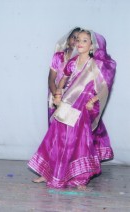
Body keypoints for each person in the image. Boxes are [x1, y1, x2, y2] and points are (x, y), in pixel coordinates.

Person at [28, 30, 116, 189]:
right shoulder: (73, 61)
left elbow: (104, 88)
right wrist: (57, 93)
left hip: (83, 106)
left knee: (79, 141)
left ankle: (80, 178)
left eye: (84, 40)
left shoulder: (96, 65)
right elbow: (63, 80)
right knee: (55, 137)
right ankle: (47, 173)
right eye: (79, 40)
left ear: (92, 45)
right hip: (67, 103)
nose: (80, 43)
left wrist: (94, 100)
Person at [48, 27, 81, 125]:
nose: (75, 40)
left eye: (78, 39)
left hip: (74, 100)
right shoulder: (58, 57)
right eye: (73, 37)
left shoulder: (83, 60)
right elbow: (51, 80)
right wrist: (57, 96)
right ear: (68, 40)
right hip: (56, 96)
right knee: (56, 130)